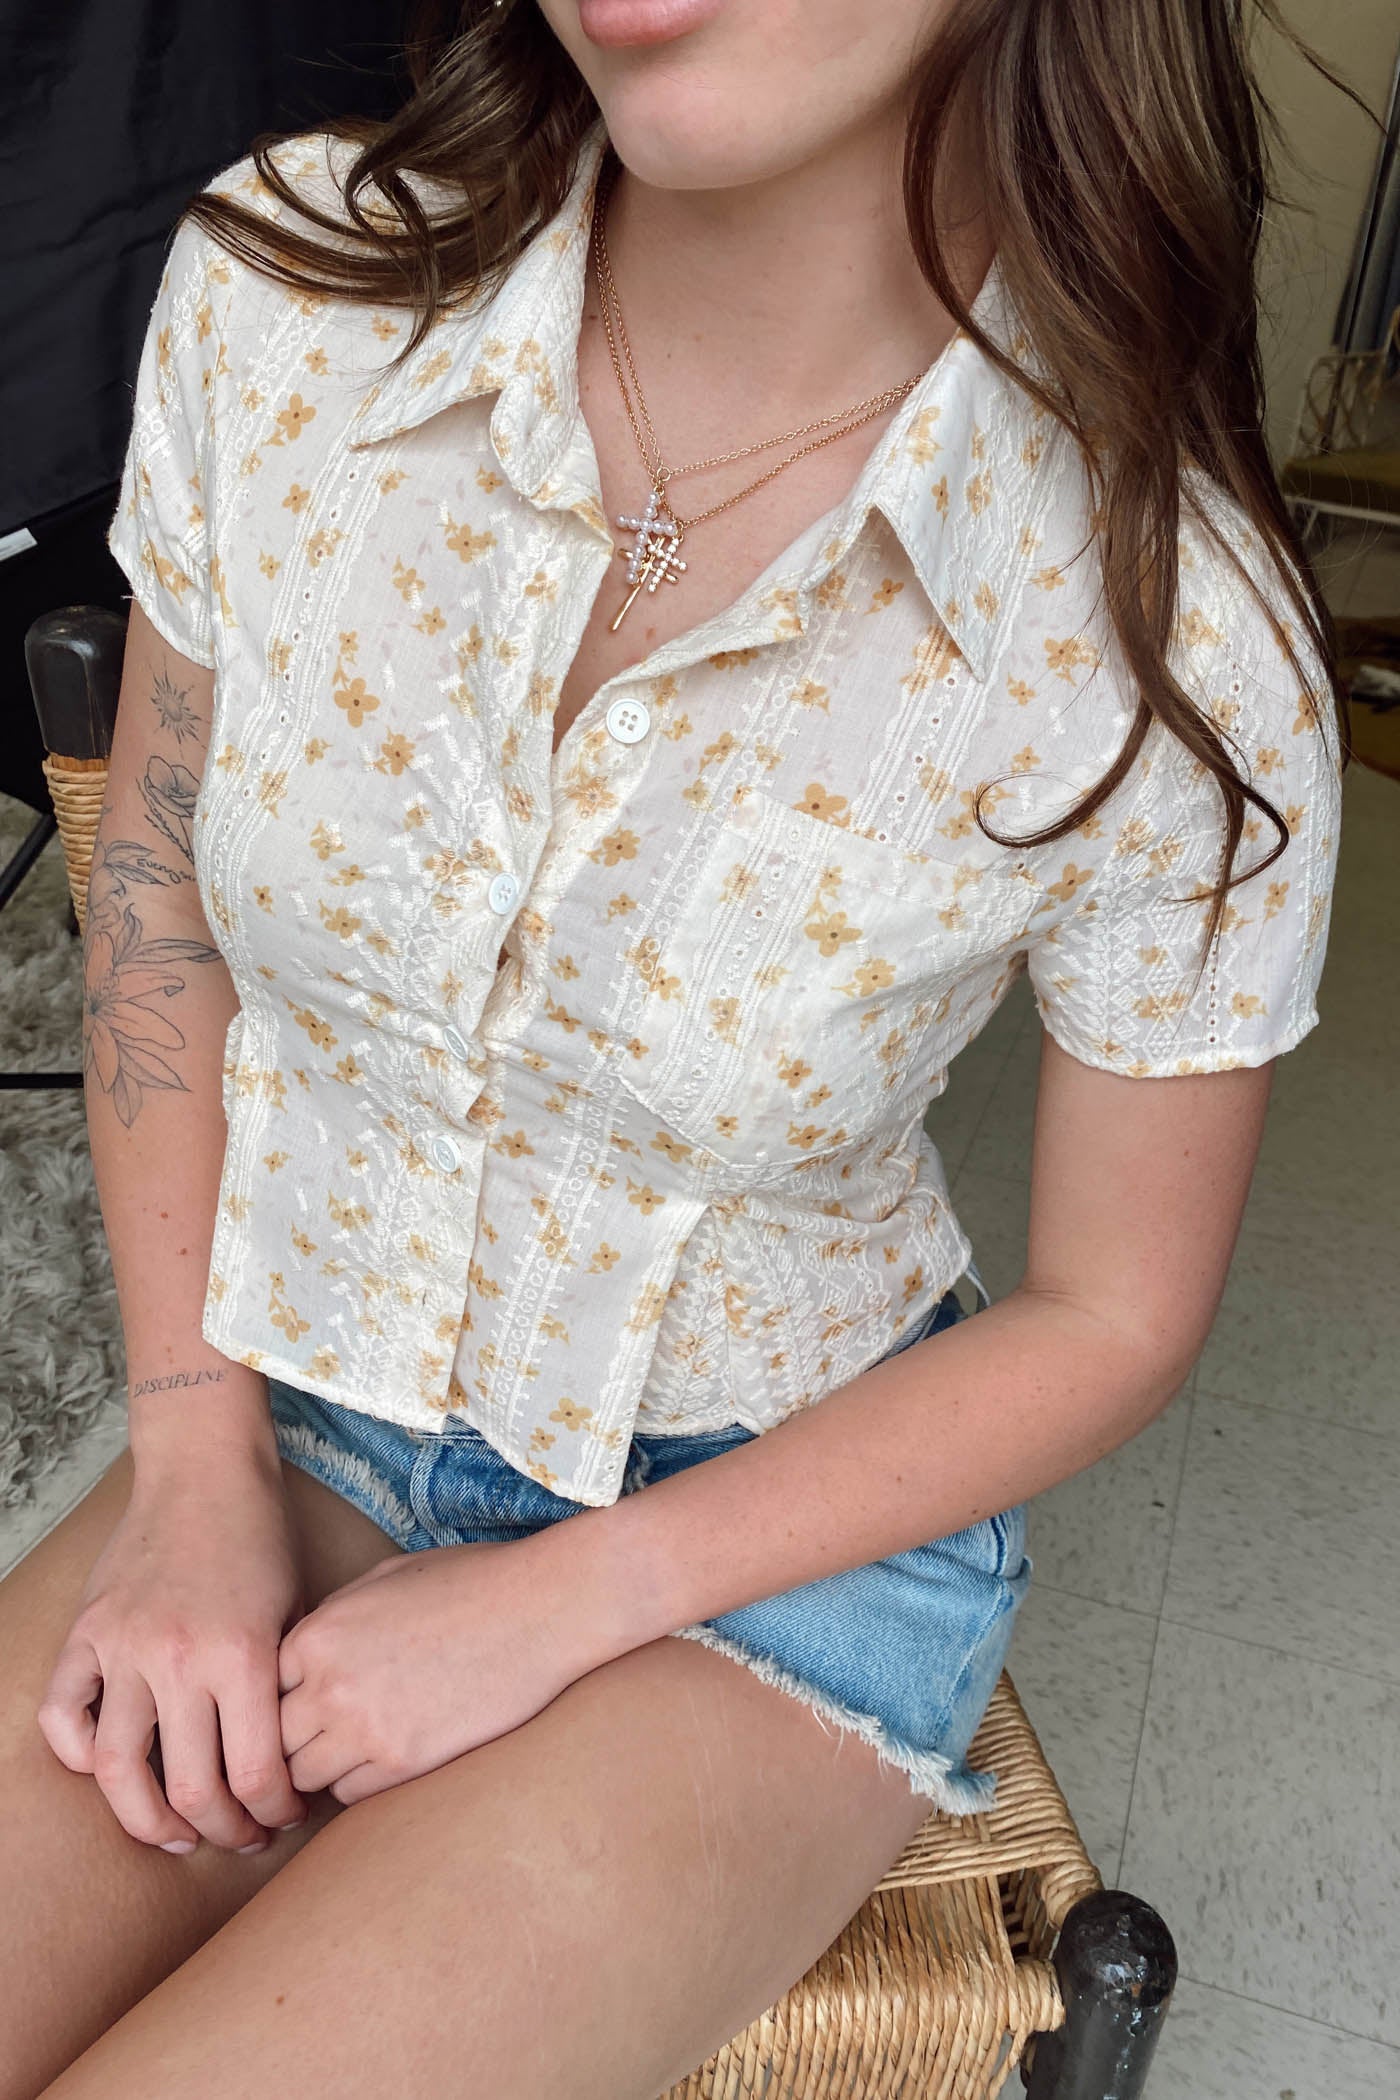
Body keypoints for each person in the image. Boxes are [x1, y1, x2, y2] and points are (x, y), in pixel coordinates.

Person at [0, 1, 1348, 2093]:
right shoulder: (288, 296)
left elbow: (1112, 1311)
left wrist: (571, 1601)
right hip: (290, 1388)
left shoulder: (1166, 627)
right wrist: (186, 1466)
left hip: (754, 1549)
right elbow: (160, 902)